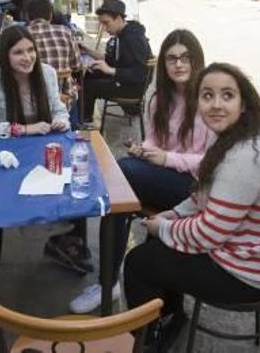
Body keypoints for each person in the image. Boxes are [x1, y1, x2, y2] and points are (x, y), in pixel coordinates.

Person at [125, 62, 260, 350]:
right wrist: (173, 215)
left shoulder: (246, 156)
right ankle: (170, 316)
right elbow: (203, 195)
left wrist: (165, 227)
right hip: (256, 253)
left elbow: (208, 234)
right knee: (158, 244)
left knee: (138, 262)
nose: (216, 104)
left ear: (244, 103)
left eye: (227, 95)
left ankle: (150, 341)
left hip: (252, 274)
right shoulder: (237, 139)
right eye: (207, 95)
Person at [67, 29, 215, 314]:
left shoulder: (209, 100)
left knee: (120, 173)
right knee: (117, 200)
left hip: (198, 188)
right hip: (164, 178)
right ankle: (108, 282)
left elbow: (213, 162)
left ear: (197, 60)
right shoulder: (159, 96)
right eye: (172, 59)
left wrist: (166, 159)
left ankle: (110, 281)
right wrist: (145, 150)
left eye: (186, 58)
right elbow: (155, 142)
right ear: (163, 64)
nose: (179, 64)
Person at [0, 26, 70, 138]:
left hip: (44, 144)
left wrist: (61, 121)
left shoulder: (48, 73)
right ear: (5, 56)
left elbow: (60, 111)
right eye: (18, 52)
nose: (27, 58)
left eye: (31, 50)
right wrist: (24, 129)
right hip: (7, 148)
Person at [78, 0, 151, 127]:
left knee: (88, 87)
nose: (104, 28)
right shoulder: (121, 34)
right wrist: (88, 51)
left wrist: (110, 70)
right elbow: (110, 60)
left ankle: (85, 125)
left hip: (131, 88)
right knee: (90, 74)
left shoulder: (133, 38)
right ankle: (84, 118)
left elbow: (140, 73)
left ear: (118, 18)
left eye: (106, 23)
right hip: (123, 80)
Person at [24, 0, 82, 104]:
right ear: (51, 15)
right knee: (75, 86)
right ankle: (77, 119)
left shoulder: (20, 35)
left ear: (27, 16)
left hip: (28, 99)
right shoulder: (65, 32)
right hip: (62, 99)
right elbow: (77, 66)